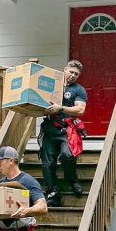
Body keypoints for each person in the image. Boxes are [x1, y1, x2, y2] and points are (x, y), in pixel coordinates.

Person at [40, 60, 87, 206]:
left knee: (67, 155)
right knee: (48, 163)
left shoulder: (79, 90)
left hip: (66, 129)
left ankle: (72, 179)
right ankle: (53, 193)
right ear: (64, 70)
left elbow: (80, 110)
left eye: (76, 74)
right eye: (70, 72)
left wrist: (61, 108)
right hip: (49, 128)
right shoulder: (51, 85)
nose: (72, 75)